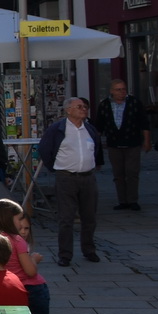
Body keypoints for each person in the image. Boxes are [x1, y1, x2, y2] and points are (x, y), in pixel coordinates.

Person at [40, 96, 104, 267]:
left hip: (88, 178)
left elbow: (97, 149)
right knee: (66, 218)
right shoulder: (57, 129)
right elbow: (45, 150)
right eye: (79, 106)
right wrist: (55, 168)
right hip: (66, 178)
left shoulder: (89, 129)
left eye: (84, 106)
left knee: (89, 217)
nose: (83, 109)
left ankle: (89, 250)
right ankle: (65, 254)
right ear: (68, 110)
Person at [93, 78, 151, 211]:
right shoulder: (105, 105)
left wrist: (147, 141)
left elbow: (144, 123)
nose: (122, 92)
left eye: (123, 89)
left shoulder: (134, 103)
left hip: (132, 143)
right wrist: (95, 145)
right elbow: (99, 126)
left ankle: (133, 200)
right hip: (114, 144)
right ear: (112, 91)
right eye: (118, 90)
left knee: (132, 172)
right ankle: (122, 200)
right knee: (118, 173)